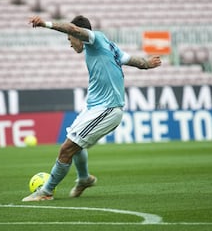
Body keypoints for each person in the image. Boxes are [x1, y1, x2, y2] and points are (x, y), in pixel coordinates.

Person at [22, 15, 162, 202]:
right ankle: (84, 178)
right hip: (93, 108)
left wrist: (46, 24)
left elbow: (75, 30)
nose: (70, 43)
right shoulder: (109, 47)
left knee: (67, 149)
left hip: (107, 109)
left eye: (69, 39)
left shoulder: (96, 39)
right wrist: (147, 64)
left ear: (78, 34)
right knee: (75, 144)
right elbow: (133, 61)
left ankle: (46, 191)